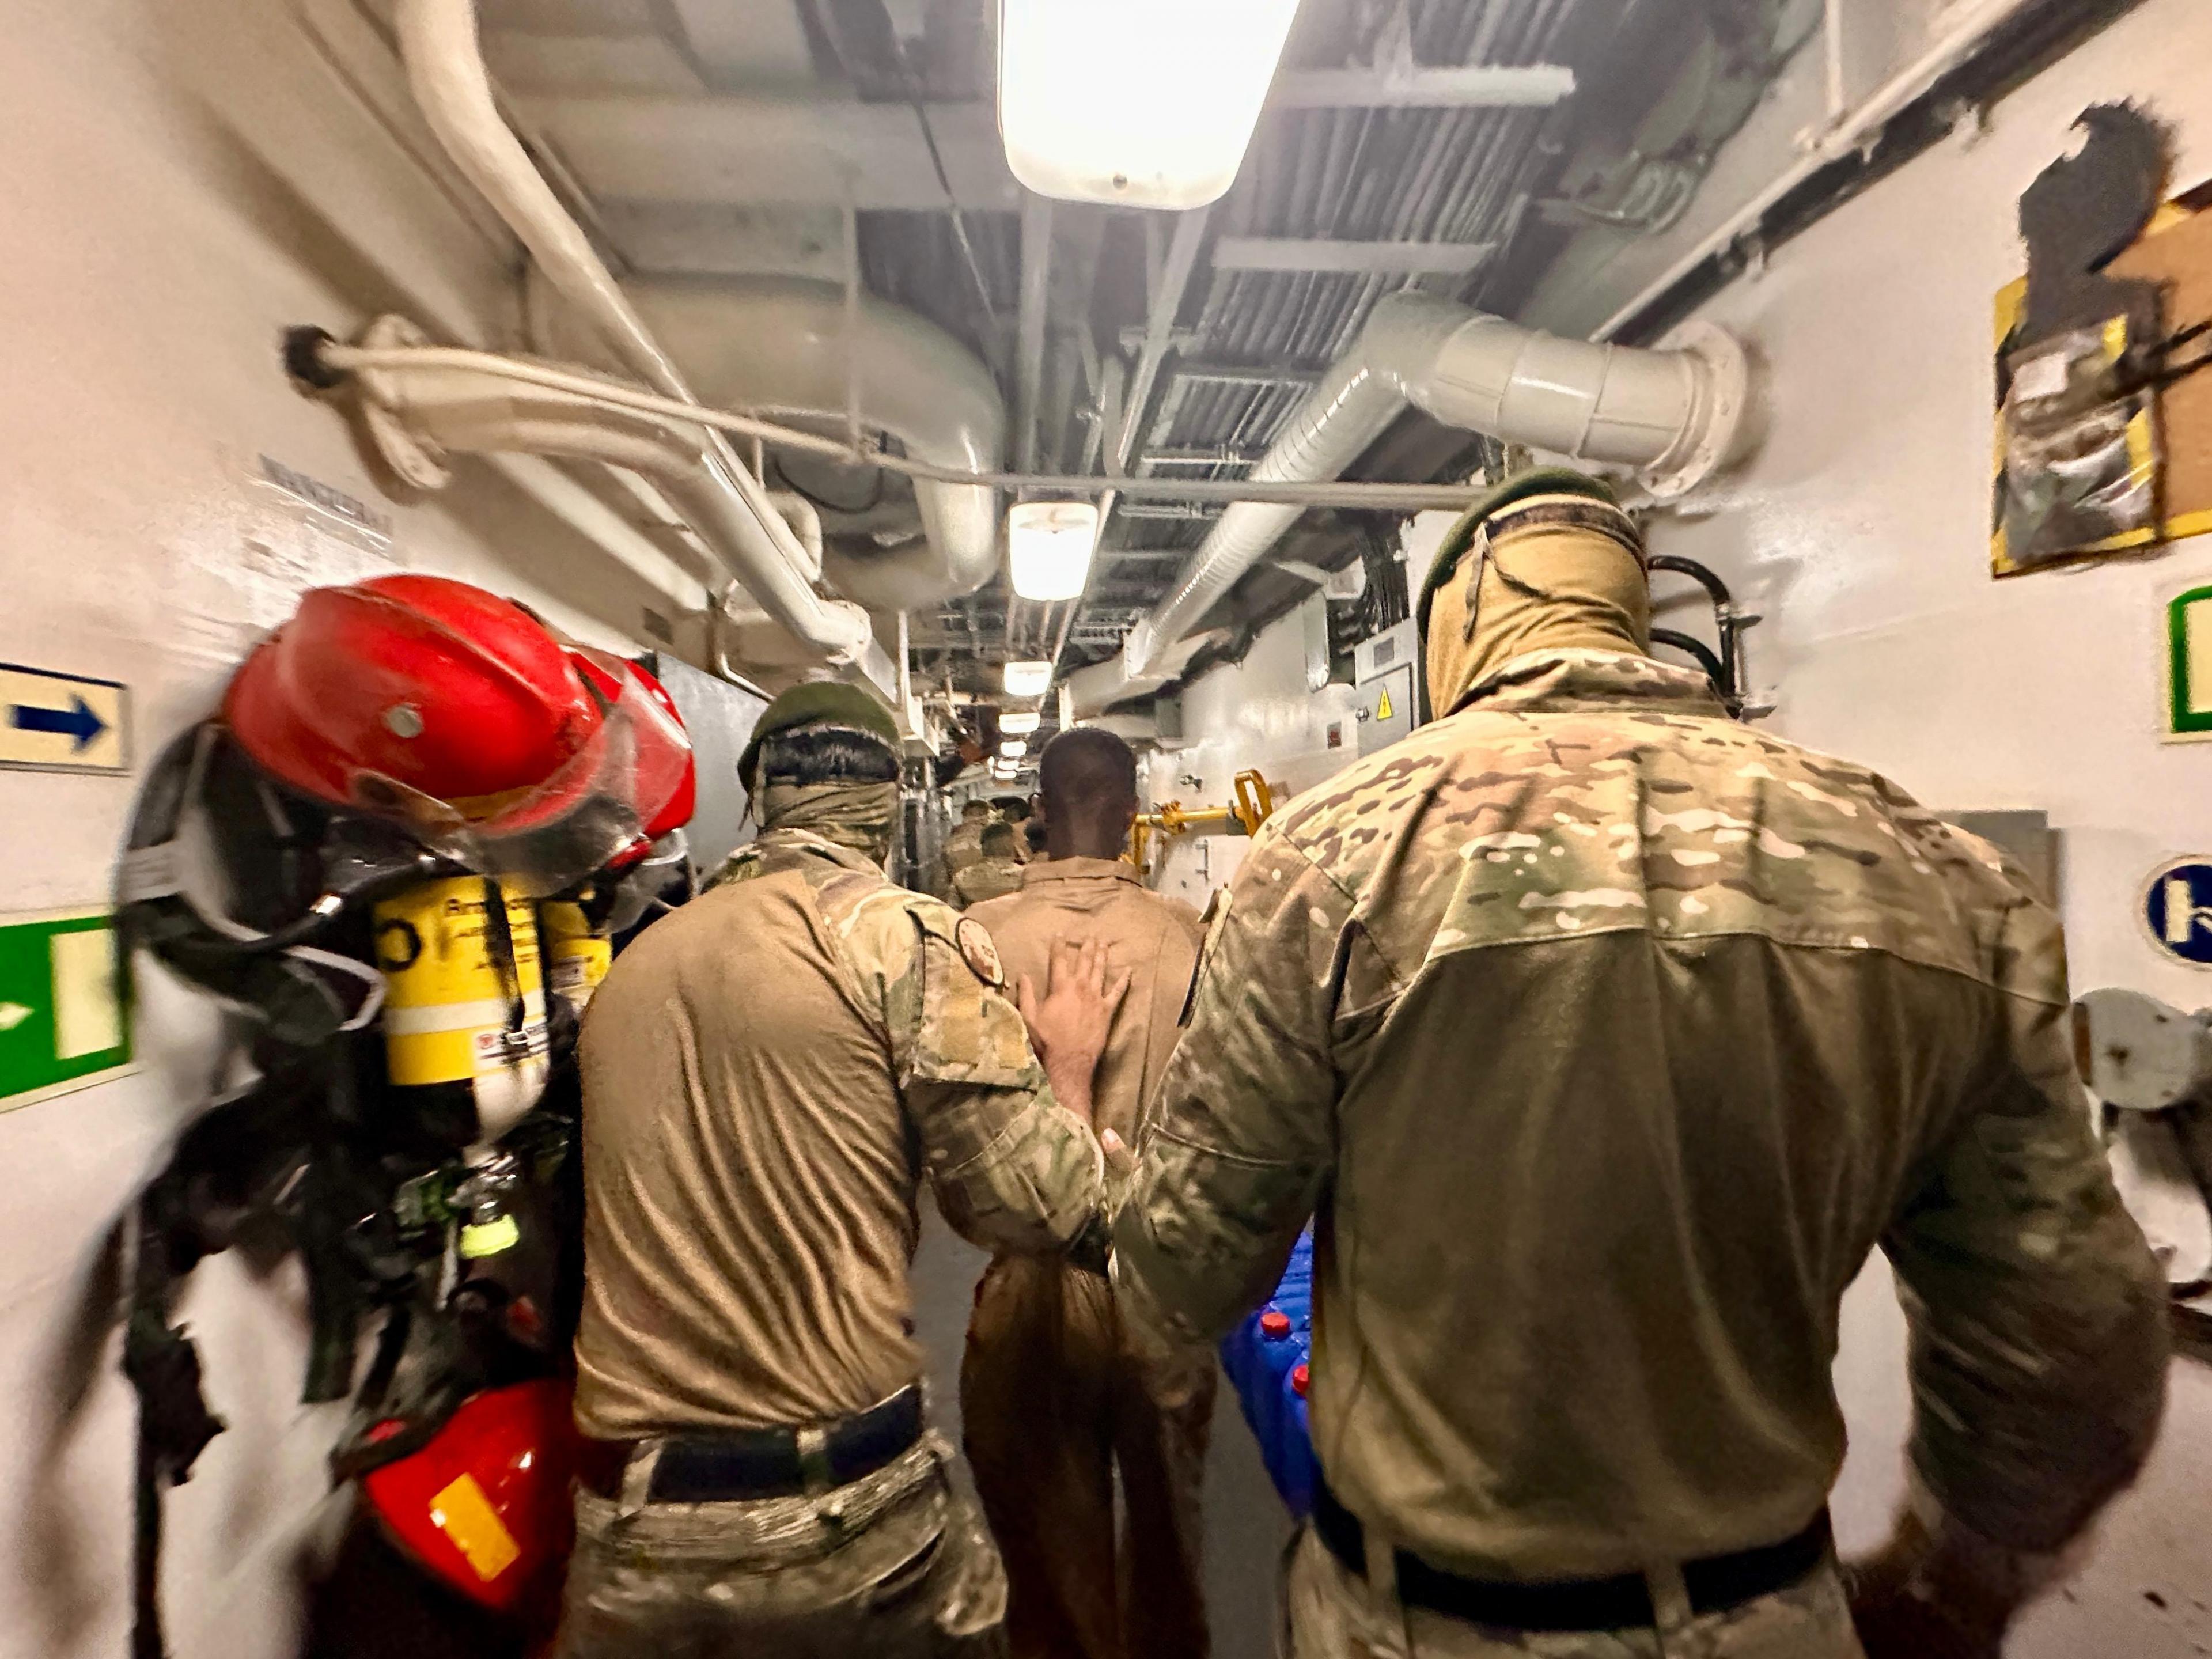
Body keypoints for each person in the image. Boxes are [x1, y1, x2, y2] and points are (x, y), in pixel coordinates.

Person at [1109, 470, 2169, 1659]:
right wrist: (1957, 1580)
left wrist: (1120, 1188)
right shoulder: (1937, 875)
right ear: (1634, 611)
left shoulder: (1330, 860)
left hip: (1419, 1627)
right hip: (1769, 1618)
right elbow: (2071, 1332)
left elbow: (1185, 1277)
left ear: (1455, 629)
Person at [560, 681, 1130, 1658]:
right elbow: (1038, 1207)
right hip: (840, 1529)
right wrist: (1071, 1073)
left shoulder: (633, 966)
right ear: (885, 803)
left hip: (628, 1536)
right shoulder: (898, 939)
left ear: (759, 797)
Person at [961, 728, 1211, 1659]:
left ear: (1040, 810)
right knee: (1168, 1568)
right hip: (1155, 1277)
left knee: (1050, 1594)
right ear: (1133, 813)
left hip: (1028, 1282)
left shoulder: (976, 937)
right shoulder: (1183, 935)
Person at [953, 821, 1028, 910]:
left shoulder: (961, 877)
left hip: (974, 917)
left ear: (983, 847)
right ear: (1012, 846)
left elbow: (953, 910)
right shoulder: (1024, 876)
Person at [942, 797, 992, 889]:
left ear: (987, 816)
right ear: (964, 815)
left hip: (985, 880)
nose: (976, 818)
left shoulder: (991, 833)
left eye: (980, 814)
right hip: (960, 879)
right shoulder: (955, 832)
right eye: (971, 814)